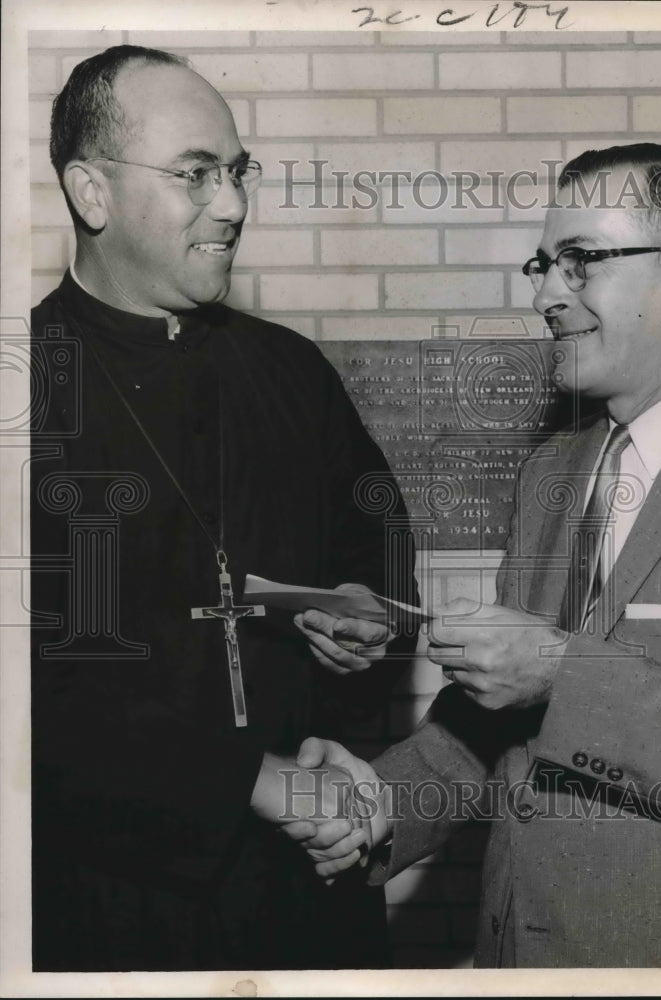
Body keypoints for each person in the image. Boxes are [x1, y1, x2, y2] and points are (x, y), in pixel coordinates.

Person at [281, 143, 661, 968]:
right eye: (545, 263)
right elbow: (499, 720)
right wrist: (380, 798)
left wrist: (563, 671)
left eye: (581, 262)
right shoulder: (553, 469)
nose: (546, 294)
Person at [30, 45, 418, 972]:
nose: (235, 205)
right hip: (110, 902)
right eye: (196, 174)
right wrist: (249, 780)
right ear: (92, 193)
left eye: (237, 172)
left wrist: (363, 626)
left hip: (308, 882)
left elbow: (378, 525)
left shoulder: (289, 369)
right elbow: (28, 694)